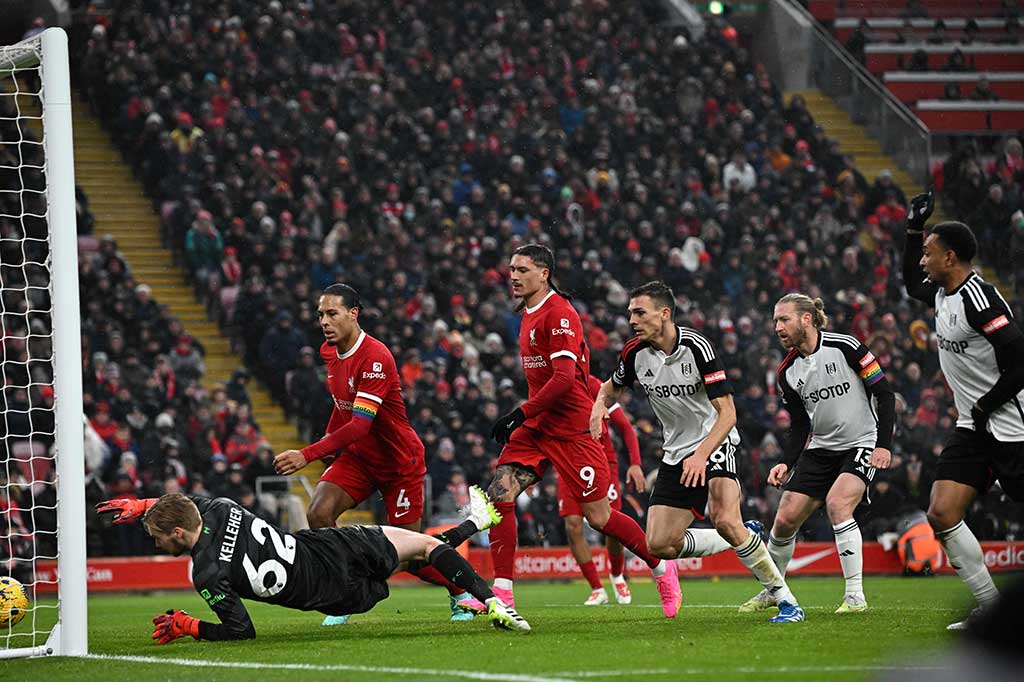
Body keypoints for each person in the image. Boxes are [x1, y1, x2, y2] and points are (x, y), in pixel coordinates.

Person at [462, 244, 682, 617]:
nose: (513, 276)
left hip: (572, 427)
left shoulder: (559, 313)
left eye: (522, 269)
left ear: (544, 273)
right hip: (538, 426)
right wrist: (527, 417)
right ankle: (502, 594)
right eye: (511, 269)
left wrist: (520, 412)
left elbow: (564, 379)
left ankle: (662, 568)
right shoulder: (527, 314)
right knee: (500, 494)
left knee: (600, 518)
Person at [273, 283, 495, 624]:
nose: (324, 322)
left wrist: (309, 453)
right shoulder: (329, 353)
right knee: (318, 514)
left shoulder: (376, 357)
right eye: (320, 315)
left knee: (408, 555)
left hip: (398, 462)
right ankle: (345, 597)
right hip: (360, 459)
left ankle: (460, 591)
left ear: (353, 314)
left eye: (332, 314)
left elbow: (360, 424)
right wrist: (330, 441)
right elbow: (342, 407)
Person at [591, 281, 805, 623]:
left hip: (715, 440)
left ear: (664, 314)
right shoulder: (634, 353)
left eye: (639, 312)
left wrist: (702, 453)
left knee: (725, 519)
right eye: (630, 312)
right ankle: (744, 535)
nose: (631, 319)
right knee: (659, 544)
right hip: (676, 452)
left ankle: (786, 601)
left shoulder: (697, 347)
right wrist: (599, 407)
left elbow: (728, 413)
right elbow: (609, 389)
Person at [94, 491, 528, 642]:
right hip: (330, 550)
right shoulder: (221, 508)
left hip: (335, 597)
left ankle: (478, 520)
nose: (152, 541)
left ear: (175, 535)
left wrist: (193, 626)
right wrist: (142, 505)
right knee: (423, 548)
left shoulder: (206, 576)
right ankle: (493, 598)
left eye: (154, 534)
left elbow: (242, 632)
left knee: (413, 553)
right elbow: (185, 504)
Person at [902, 191, 1024, 630]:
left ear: (950, 257)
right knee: (941, 512)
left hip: (1012, 426)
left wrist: (987, 405)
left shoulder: (980, 299)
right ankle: (991, 608)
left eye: (928, 253)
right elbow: (911, 283)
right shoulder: (942, 292)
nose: (922, 260)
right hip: (974, 425)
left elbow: (1020, 359)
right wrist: (914, 229)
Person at [739, 294, 896, 615]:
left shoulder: (847, 347)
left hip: (861, 442)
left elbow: (884, 393)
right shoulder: (787, 372)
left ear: (807, 318)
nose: (777, 328)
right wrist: (786, 461)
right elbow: (799, 425)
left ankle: (855, 598)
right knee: (783, 519)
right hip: (821, 448)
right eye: (774, 322)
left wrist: (883, 444)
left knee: (838, 504)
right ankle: (773, 590)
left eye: (784, 320)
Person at [562, 374, 645, 606]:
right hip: (568, 462)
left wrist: (635, 463)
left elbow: (626, 428)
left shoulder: (595, 385)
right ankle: (597, 588)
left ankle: (617, 575)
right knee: (572, 525)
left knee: (609, 526)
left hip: (601, 461)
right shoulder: (550, 385)